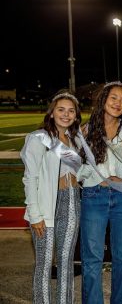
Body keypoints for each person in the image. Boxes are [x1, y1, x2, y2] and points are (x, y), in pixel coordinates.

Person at [78, 81, 122, 304]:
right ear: (103, 99)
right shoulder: (85, 130)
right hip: (94, 196)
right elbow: (75, 165)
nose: (118, 103)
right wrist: (93, 179)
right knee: (92, 258)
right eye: (114, 98)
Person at [21, 92, 82, 303]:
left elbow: (81, 173)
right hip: (46, 205)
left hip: (72, 201)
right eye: (61, 109)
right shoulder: (39, 138)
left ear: (76, 115)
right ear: (52, 112)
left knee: (66, 262)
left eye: (71, 110)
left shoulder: (76, 140)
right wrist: (35, 214)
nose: (66, 114)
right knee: (45, 263)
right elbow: (30, 178)